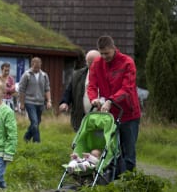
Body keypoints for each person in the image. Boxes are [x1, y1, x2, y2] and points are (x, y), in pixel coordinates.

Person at [87, 35, 141, 174]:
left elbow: (127, 88)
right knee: (110, 150)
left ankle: (128, 182)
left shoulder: (127, 63)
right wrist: (93, 98)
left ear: (113, 48)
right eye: (102, 53)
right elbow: (92, 85)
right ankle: (110, 179)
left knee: (128, 151)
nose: (105, 56)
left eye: (107, 53)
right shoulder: (97, 64)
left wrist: (111, 100)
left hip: (129, 114)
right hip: (109, 116)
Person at [59, 50, 101, 132]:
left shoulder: (107, 75)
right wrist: (65, 102)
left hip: (101, 117)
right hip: (81, 117)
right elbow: (69, 90)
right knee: (81, 143)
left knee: (98, 142)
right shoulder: (77, 75)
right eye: (89, 63)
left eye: (94, 63)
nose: (91, 65)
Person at [17, 57, 52, 143]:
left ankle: (26, 137)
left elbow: (47, 89)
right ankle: (37, 142)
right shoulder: (26, 75)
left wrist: (49, 101)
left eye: (38, 67)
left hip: (40, 102)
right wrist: (22, 103)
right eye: (35, 67)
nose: (37, 68)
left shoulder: (44, 75)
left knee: (36, 123)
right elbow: (22, 90)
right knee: (35, 122)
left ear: (40, 65)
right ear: (32, 65)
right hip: (29, 102)